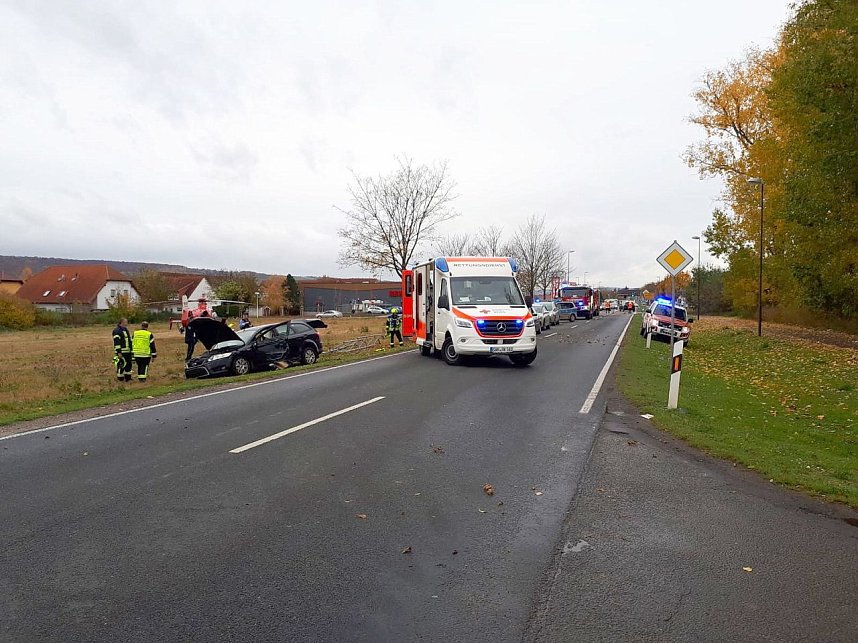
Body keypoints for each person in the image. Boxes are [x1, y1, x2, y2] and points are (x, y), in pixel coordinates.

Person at [112, 317, 133, 382]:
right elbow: (117, 342)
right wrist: (119, 352)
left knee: (129, 364)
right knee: (121, 364)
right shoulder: (116, 331)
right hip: (121, 351)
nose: (127, 323)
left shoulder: (125, 329)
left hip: (127, 351)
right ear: (122, 322)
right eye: (126, 322)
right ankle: (120, 378)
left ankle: (128, 378)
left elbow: (128, 340)